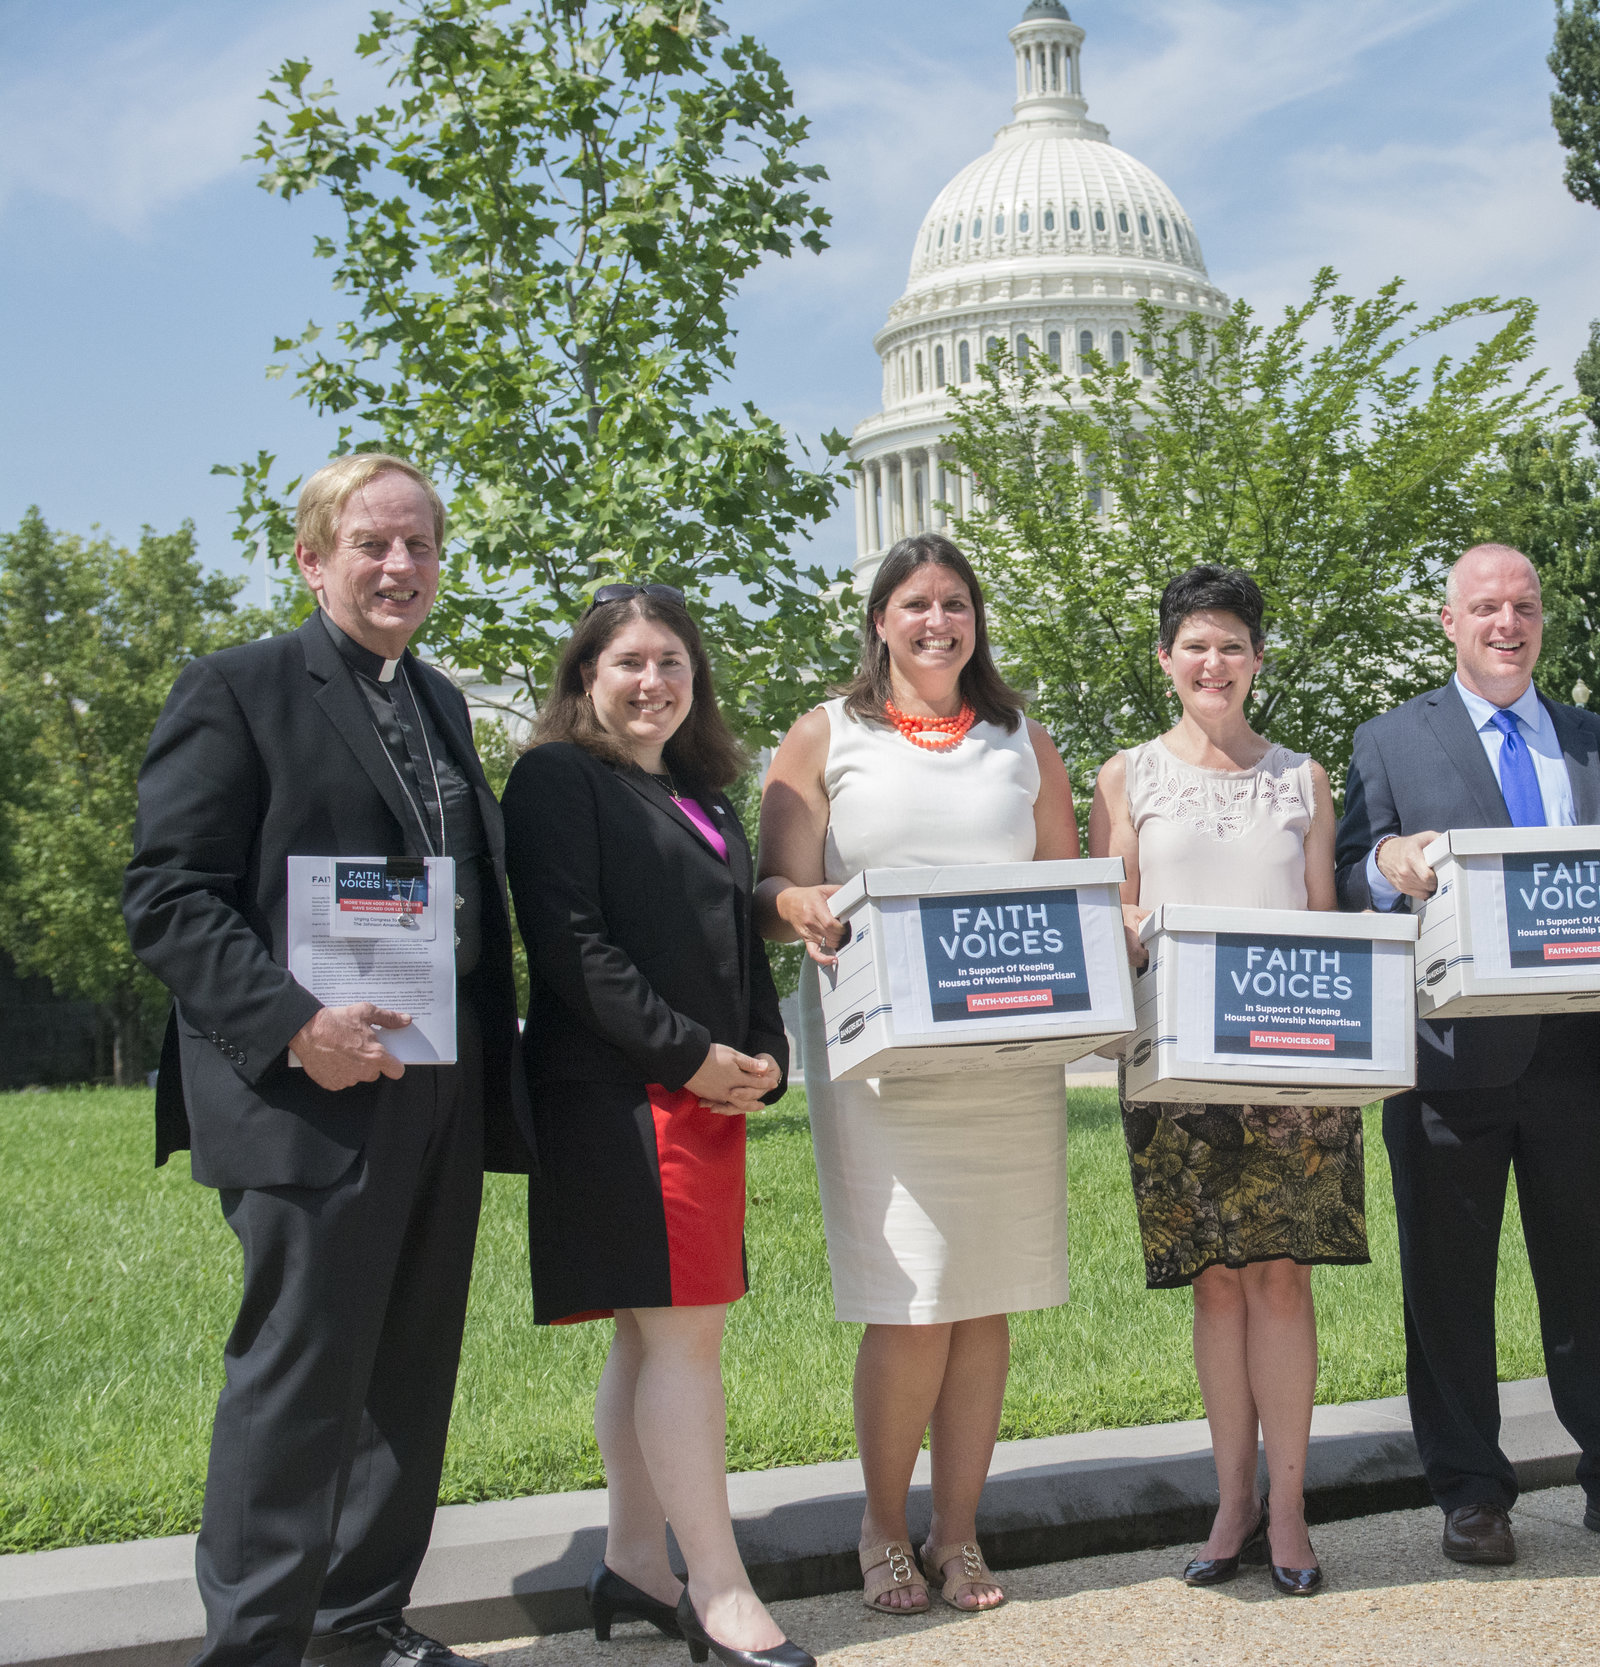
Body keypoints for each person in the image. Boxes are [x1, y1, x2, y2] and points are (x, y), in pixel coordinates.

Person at [122, 454, 533, 1667]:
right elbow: (167, 894)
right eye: (371, 543)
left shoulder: (441, 701)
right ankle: (252, 1647)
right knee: (298, 1383)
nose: (399, 565)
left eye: (418, 544)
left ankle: (361, 1626)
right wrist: (298, 1020)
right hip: (304, 1092)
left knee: (408, 1368)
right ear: (312, 558)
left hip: (435, 1082)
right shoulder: (239, 688)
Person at [1332, 543, 1600, 1568]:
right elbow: (1348, 867)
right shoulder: (1391, 740)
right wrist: (1383, 867)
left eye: (1523, 604)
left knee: (1594, 1284)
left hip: (1587, 1054)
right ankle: (1471, 1491)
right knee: (1449, 1290)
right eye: (1484, 605)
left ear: (1543, 619)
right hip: (1452, 1060)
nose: (1506, 621)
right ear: (1447, 620)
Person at [755, 534, 1081, 1617]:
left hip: (1003, 1057)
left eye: (954, 602)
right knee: (913, 1299)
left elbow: (1061, 889)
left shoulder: (1023, 739)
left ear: (975, 618)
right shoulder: (824, 734)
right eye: (913, 603)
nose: (936, 620)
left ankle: (960, 1533)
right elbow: (775, 882)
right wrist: (795, 902)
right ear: (880, 619)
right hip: (885, 1066)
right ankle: (882, 1527)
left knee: (986, 1296)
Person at [499, 586, 801, 1666]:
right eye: (627, 661)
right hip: (619, 1098)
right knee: (683, 1334)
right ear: (585, 675)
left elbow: (736, 936)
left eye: (672, 661)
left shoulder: (704, 794)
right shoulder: (554, 779)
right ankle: (716, 1591)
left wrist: (766, 1057)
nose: (652, 682)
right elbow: (571, 947)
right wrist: (691, 1056)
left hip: (705, 1096)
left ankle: (633, 1557)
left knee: (652, 1330)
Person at [1088, 566, 1361, 1597]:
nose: (1215, 663)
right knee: (1215, 1279)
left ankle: (1288, 1507)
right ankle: (1232, 1496)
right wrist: (1122, 931)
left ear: (1256, 660)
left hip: (1294, 1061)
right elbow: (1111, 917)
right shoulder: (1126, 777)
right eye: (1195, 644)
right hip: (1175, 1066)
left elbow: (1328, 919)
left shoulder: (1303, 779)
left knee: (1281, 1276)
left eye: (1233, 645)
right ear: (1166, 658)